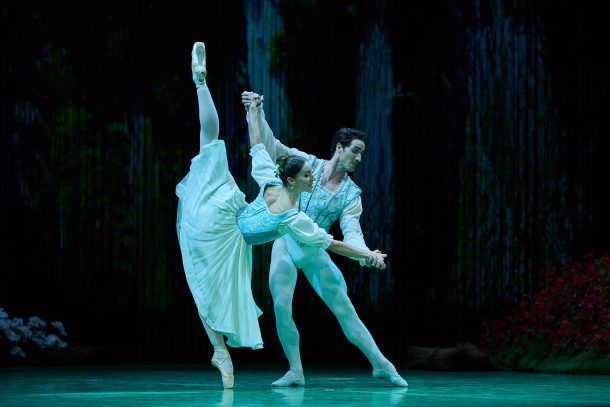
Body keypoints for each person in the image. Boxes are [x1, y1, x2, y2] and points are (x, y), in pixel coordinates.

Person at [176, 42, 388, 389]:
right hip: (227, 230)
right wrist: (254, 112)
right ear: (295, 179)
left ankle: (201, 83)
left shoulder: (274, 185)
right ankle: (222, 351)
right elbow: (332, 242)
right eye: (307, 175)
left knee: (210, 143)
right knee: (207, 283)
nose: (312, 178)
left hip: (232, 221)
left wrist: (252, 114)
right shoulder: (290, 212)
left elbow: (260, 147)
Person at [241, 91, 408, 387]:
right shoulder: (308, 166)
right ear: (339, 148)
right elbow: (271, 147)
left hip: (313, 248)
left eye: (362, 153)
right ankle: (295, 370)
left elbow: (352, 230)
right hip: (286, 243)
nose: (358, 157)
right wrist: (258, 111)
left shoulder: (351, 194)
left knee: (344, 310)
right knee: (281, 306)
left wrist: (367, 253)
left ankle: (383, 365)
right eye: (355, 150)